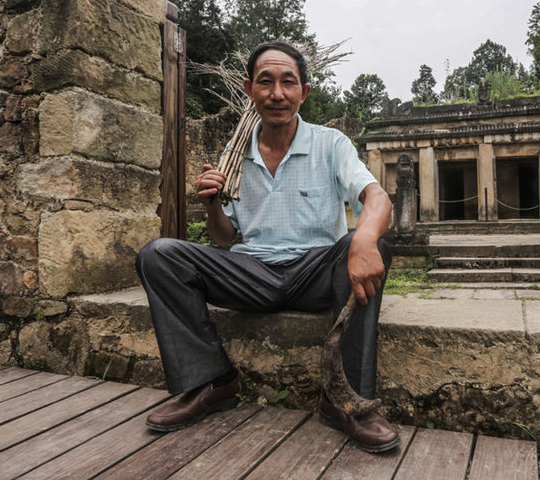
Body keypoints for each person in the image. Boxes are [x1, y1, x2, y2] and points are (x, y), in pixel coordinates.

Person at [135, 41, 399, 453]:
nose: (277, 93)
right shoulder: (235, 153)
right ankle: (215, 381)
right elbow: (226, 237)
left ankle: (345, 400)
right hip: (253, 273)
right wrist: (211, 207)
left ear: (304, 92)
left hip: (316, 271)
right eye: (265, 82)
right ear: (249, 89)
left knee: (373, 245)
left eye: (288, 82)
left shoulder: (331, 144)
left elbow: (377, 198)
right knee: (159, 255)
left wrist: (364, 238)